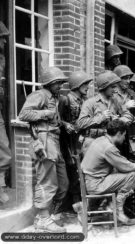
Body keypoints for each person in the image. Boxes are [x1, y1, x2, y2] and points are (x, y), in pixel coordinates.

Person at [19, 66, 69, 233]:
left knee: (63, 183)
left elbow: (55, 120)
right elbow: (23, 115)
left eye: (61, 82)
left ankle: (51, 214)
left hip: (54, 140)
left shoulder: (55, 97)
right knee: (47, 181)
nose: (60, 85)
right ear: (49, 83)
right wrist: (45, 113)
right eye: (57, 83)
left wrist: (64, 124)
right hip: (44, 140)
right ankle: (42, 218)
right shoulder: (39, 95)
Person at [81, 119, 135, 225]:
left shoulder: (100, 139)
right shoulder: (109, 148)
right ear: (119, 134)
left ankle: (110, 205)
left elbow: (119, 163)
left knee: (117, 172)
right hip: (96, 185)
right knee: (131, 176)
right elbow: (124, 166)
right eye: (124, 135)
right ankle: (117, 210)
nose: (124, 138)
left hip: (89, 181)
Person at [58, 70, 92, 218]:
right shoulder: (65, 100)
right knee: (72, 168)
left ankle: (83, 201)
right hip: (68, 140)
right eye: (85, 84)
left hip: (81, 138)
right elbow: (57, 119)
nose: (87, 87)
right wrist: (65, 124)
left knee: (82, 168)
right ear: (77, 85)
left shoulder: (85, 101)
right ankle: (75, 201)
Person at [76, 71, 133, 154]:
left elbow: (129, 115)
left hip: (110, 142)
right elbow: (80, 123)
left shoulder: (116, 101)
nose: (115, 90)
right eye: (112, 87)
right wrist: (101, 117)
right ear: (104, 87)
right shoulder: (90, 103)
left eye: (115, 87)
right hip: (92, 142)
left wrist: (118, 121)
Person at [0, 21, 11, 204]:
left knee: (3, 148)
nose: (4, 42)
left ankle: (0, 187)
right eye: (2, 38)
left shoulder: (1, 58)